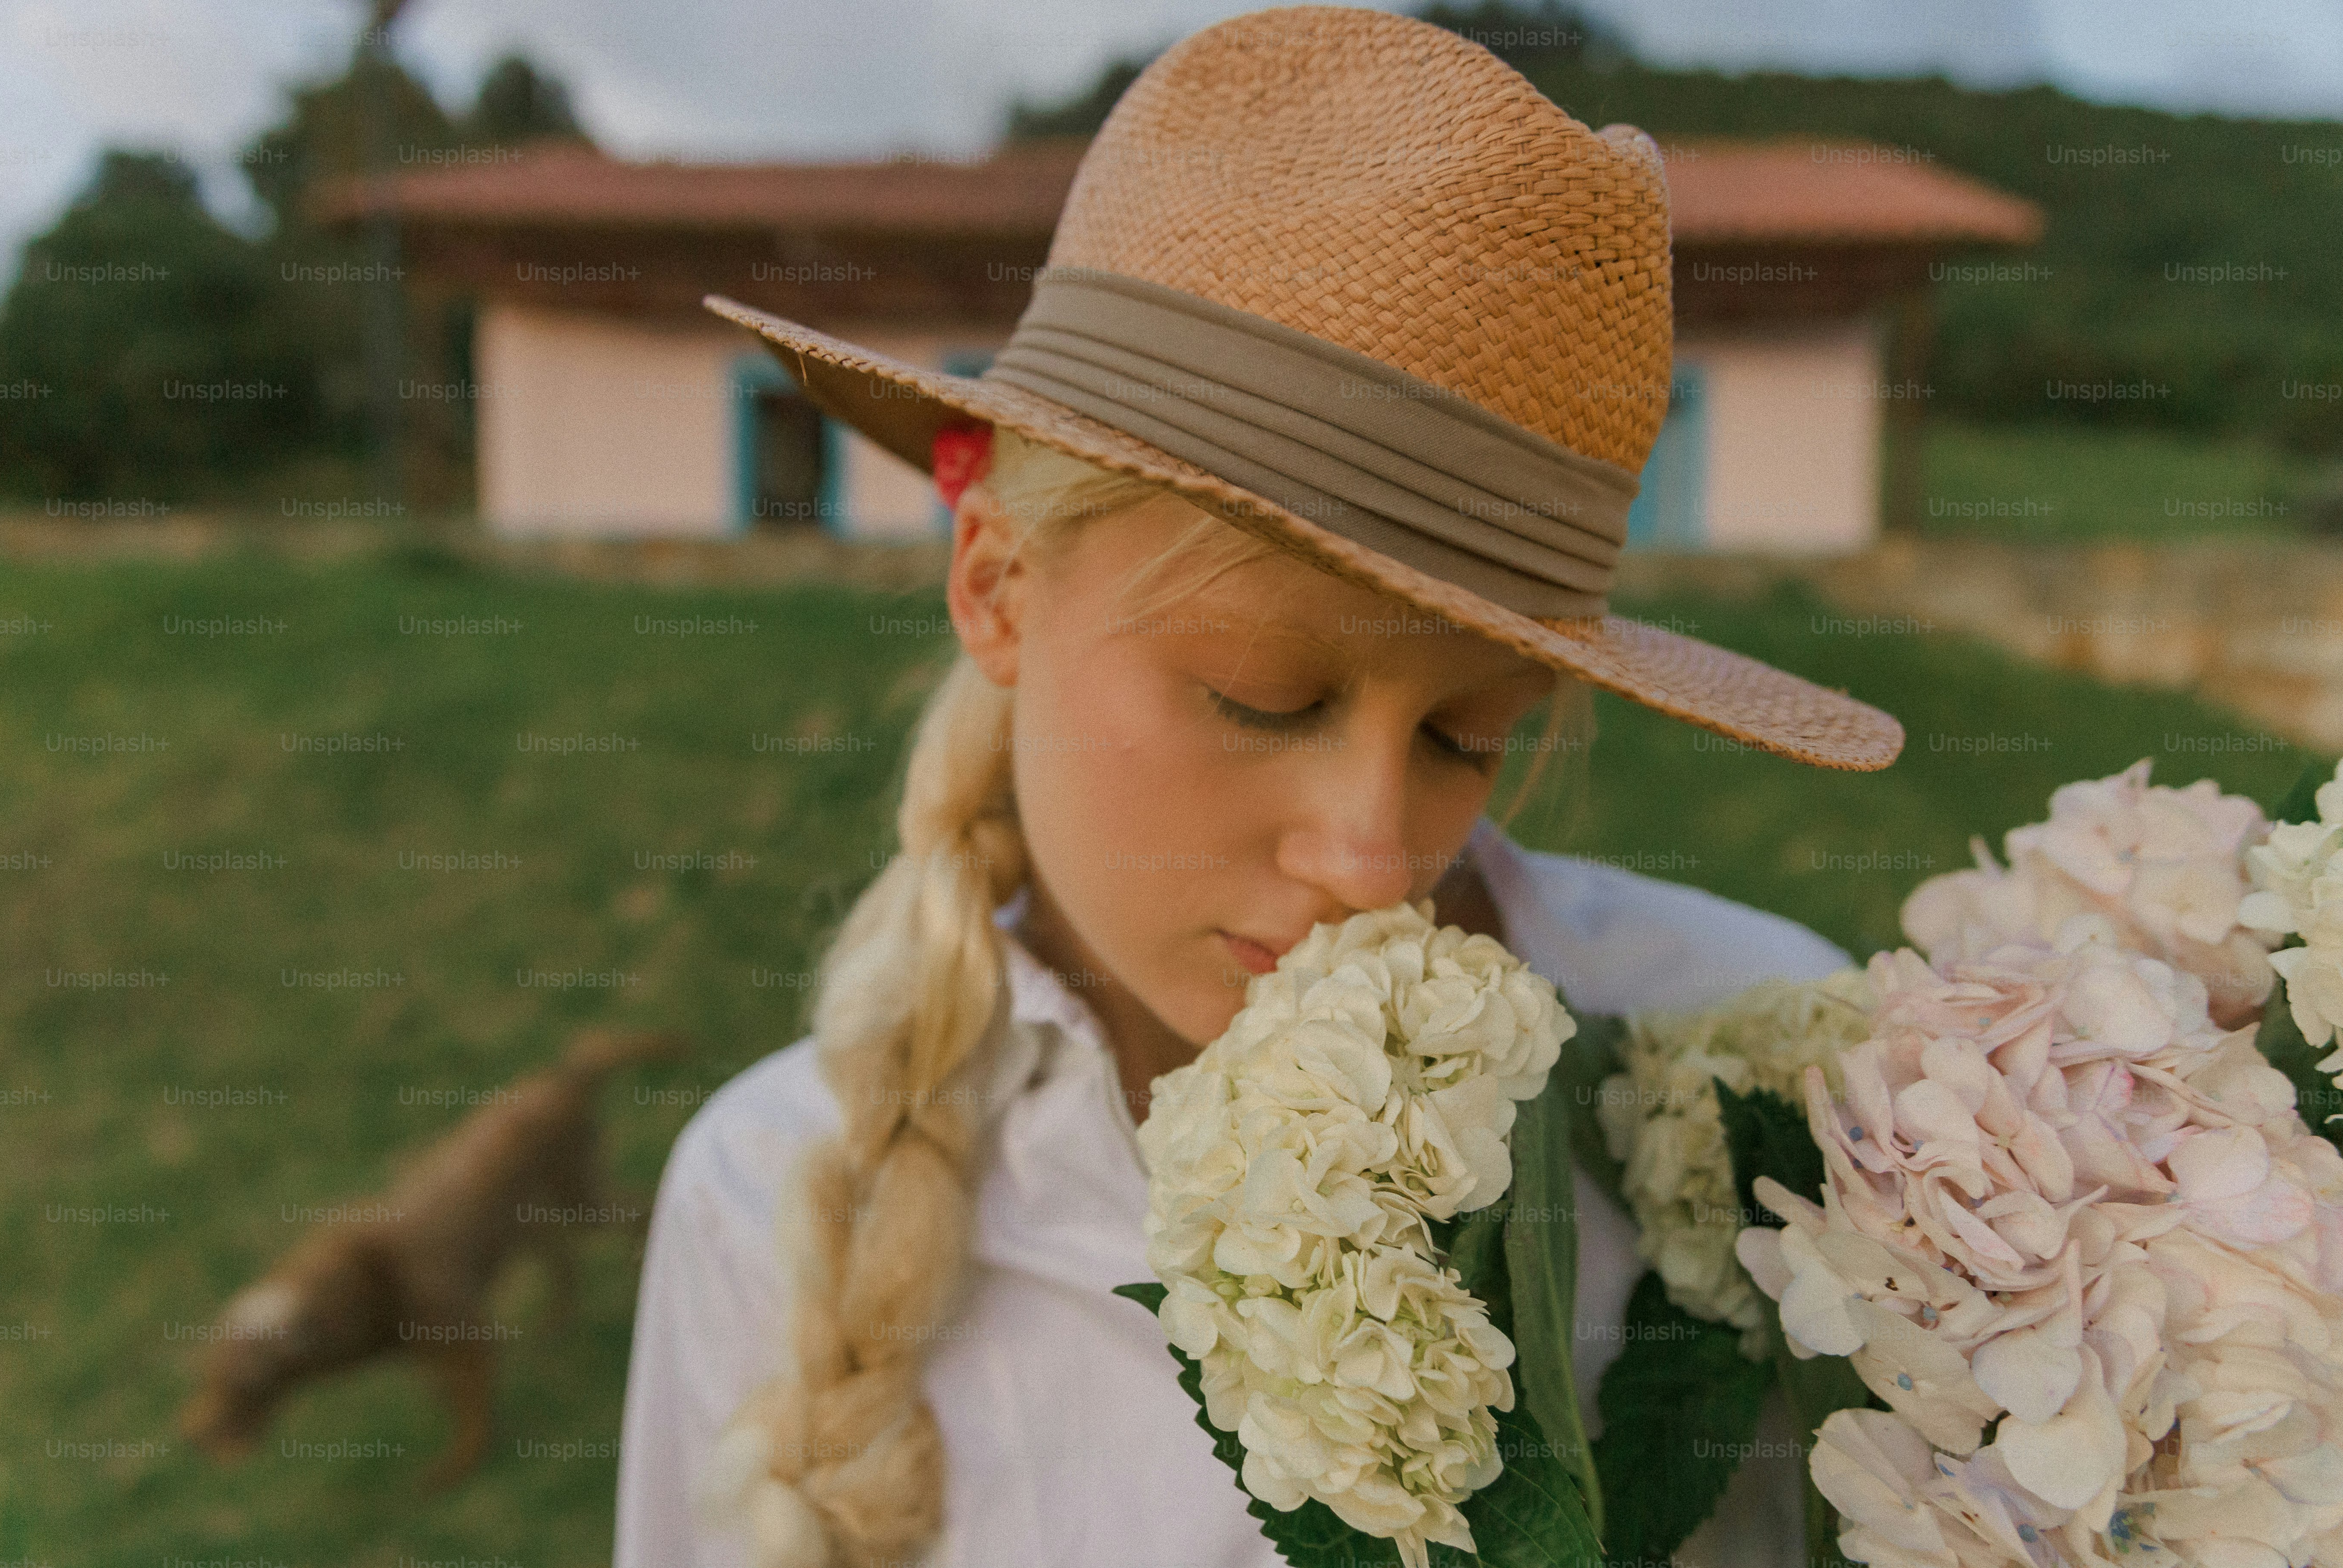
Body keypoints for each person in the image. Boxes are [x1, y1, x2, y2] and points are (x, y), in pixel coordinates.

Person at [613, 9, 1903, 1567]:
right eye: (1259, 697)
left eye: (1466, 737)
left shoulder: (1766, 1062)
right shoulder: (769, 1198)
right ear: (999, 584)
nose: (1373, 862)